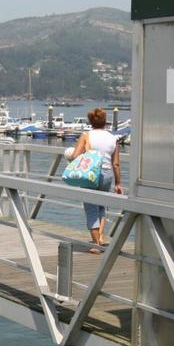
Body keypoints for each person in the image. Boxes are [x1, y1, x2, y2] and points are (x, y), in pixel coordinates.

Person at [70, 107, 123, 253]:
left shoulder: (86, 136)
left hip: (90, 174)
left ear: (90, 122)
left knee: (91, 208)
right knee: (101, 206)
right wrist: (118, 183)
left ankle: (96, 244)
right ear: (105, 122)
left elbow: (75, 156)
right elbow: (116, 164)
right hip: (107, 174)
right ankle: (100, 238)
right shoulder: (113, 138)